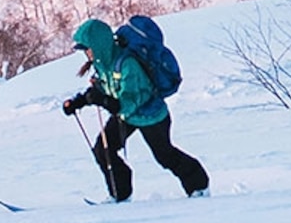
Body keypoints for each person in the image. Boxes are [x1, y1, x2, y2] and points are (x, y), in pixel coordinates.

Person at [62, 16, 209, 200]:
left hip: (151, 116)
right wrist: (79, 101)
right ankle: (120, 195)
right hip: (126, 116)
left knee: (165, 155)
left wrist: (105, 102)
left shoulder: (127, 64)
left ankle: (199, 187)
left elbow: (131, 100)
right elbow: (102, 88)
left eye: (87, 48)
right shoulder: (104, 63)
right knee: (103, 149)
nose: (86, 53)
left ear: (98, 45)